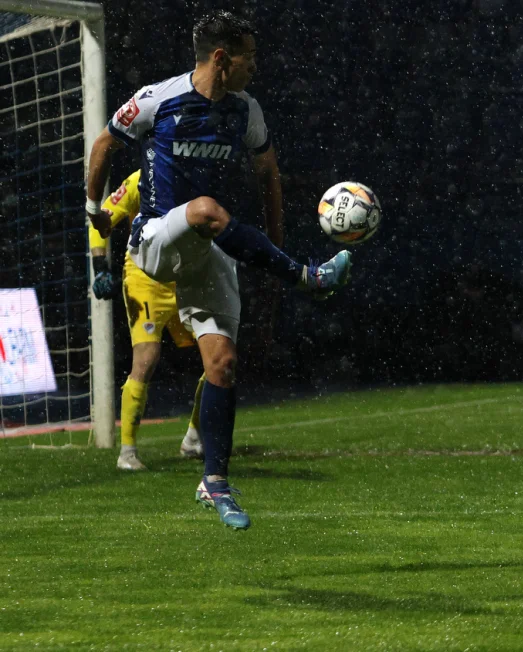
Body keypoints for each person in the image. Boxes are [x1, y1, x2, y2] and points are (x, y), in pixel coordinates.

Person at [85, 11, 353, 530]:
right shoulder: (158, 98)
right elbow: (103, 145)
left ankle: (214, 481)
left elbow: (268, 172)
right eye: (249, 57)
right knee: (205, 207)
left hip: (209, 250)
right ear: (221, 58)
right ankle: (308, 277)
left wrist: (272, 242)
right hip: (155, 240)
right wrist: (92, 206)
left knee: (223, 363)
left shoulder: (245, 111)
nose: (256, 66)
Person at [89, 171, 208, 471]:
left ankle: (194, 437)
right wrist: (99, 267)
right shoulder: (139, 180)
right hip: (144, 279)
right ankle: (127, 452)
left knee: (218, 355)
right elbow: (100, 220)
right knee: (146, 358)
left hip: (184, 278)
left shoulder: (194, 174)